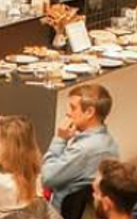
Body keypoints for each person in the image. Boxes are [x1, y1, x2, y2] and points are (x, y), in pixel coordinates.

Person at [40, 83, 119, 212]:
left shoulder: (84, 149)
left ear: (89, 112)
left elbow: (47, 178)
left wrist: (60, 139)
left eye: (73, 108)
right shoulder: (108, 141)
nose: (68, 113)